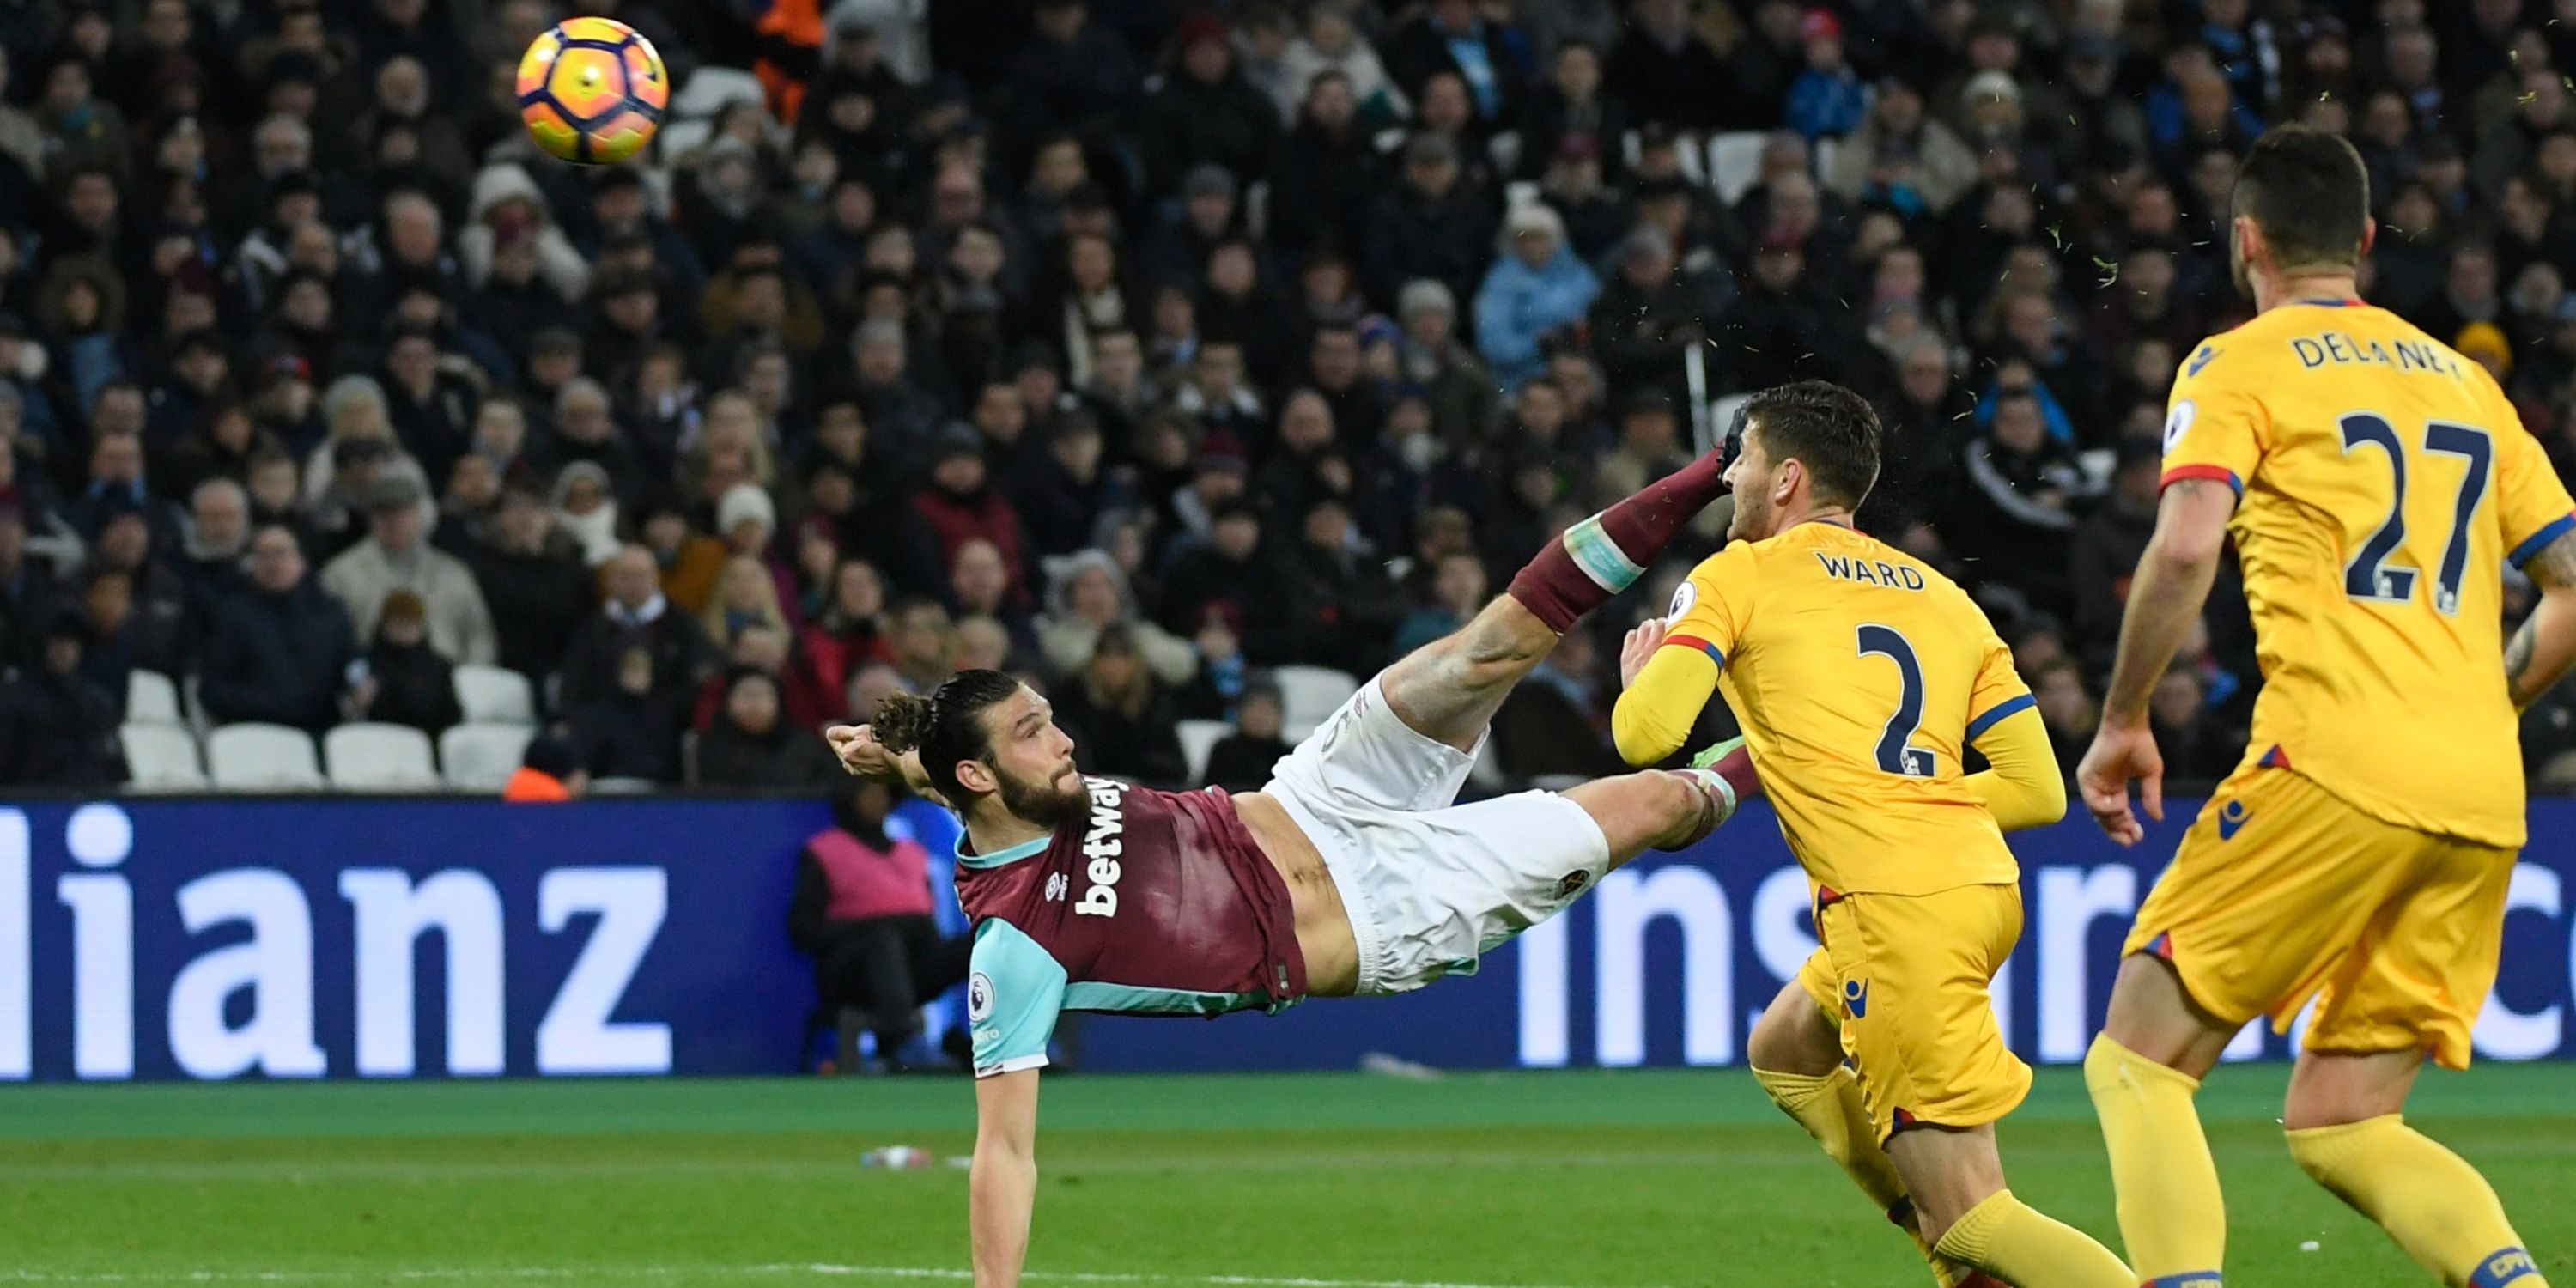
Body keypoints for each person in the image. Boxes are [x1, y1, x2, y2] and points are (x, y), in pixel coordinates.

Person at [827, 441, 1759, 1285]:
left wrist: (889, 750)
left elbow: (941, 768)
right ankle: (1791, 740)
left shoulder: (1000, 782)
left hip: (1316, 793)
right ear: (982, 773)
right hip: (1382, 915)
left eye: (1048, 714)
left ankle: (1714, 467)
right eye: (1034, 731)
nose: (1065, 741)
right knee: (1661, 799)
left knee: (1493, 643)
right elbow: (1005, 1153)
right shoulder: (1015, 945)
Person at [2076, 126, 2574, 1288]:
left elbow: (2188, 541)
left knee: (2139, 1063)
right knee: (2348, 1121)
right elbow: (2568, 584)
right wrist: (2482, 702)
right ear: (2361, 241)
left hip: (2333, 755)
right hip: (2480, 790)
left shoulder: (2235, 364)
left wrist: (2124, 719)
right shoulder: (2468, 381)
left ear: (2245, 241)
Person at [1610, 381, 2123, 1288]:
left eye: (1744, 462)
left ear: (1787, 479)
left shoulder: (1738, 576)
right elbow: (2038, 790)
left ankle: (1957, 1246)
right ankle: (1945, 1236)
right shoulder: (1946, 598)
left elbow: (1646, 739)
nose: (1730, 479)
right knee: (1789, 1051)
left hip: (1896, 912)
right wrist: (1906, 797)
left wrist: (1642, 674)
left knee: (1976, 1217)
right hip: (1976, 890)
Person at [789, 777, 972, 1073]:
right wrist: (878, 926)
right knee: (883, 940)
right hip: (852, 974)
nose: (877, 800)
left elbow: (929, 933)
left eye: (882, 792)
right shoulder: (824, 852)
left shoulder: (912, 854)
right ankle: (906, 1043)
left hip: (913, 967)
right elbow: (803, 931)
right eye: (867, 792)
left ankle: (1008, 1039)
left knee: (985, 943)